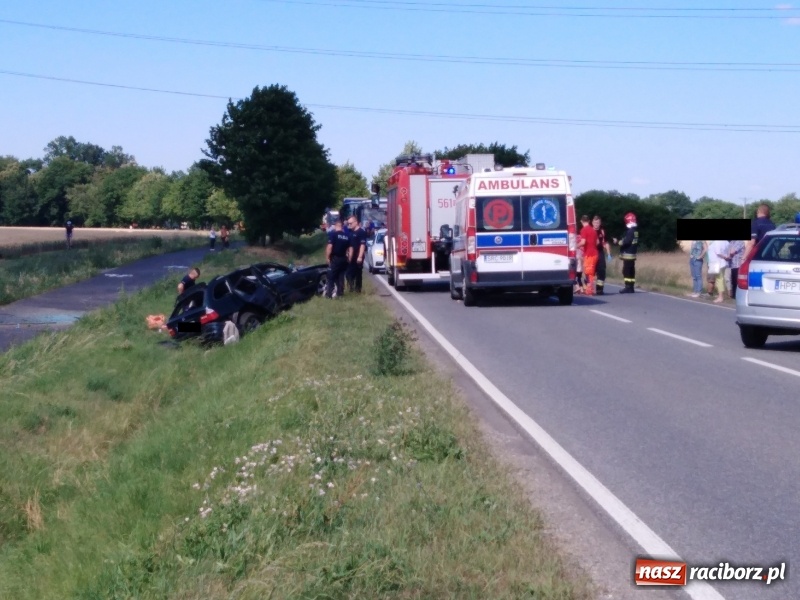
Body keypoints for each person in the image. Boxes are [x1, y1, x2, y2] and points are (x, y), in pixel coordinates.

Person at [612, 212, 639, 293]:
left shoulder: (630, 231)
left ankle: (628, 286)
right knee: (631, 270)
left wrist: (617, 242)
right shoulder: (635, 231)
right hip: (633, 254)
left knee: (626, 271)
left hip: (628, 254)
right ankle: (631, 286)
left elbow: (626, 242)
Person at [325, 219, 351, 298]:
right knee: (341, 276)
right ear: (342, 226)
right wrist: (349, 257)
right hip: (344, 258)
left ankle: (329, 294)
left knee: (331, 276)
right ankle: (340, 293)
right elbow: (349, 248)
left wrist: (327, 257)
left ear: (336, 226)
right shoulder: (347, 236)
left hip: (335, 258)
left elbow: (330, 246)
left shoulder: (333, 235)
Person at [346, 215, 368, 293]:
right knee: (348, 273)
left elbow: (362, 245)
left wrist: (360, 256)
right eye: (348, 223)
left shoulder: (361, 232)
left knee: (358, 273)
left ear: (356, 222)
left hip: (358, 256)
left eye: (350, 223)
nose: (349, 225)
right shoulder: (350, 232)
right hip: (351, 256)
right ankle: (351, 288)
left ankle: (358, 289)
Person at [578, 215, 599, 295]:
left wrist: (575, 246)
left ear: (581, 221)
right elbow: (597, 242)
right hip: (595, 253)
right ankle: (590, 289)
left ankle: (590, 290)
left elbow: (583, 242)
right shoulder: (593, 230)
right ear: (589, 221)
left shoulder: (584, 230)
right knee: (591, 272)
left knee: (588, 272)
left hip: (589, 254)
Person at [592, 215, 612, 295]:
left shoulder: (602, 231)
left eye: (598, 223)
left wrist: (609, 254)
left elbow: (605, 243)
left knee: (601, 270)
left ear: (600, 223)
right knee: (591, 272)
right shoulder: (589, 231)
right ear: (592, 223)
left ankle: (599, 289)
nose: (596, 224)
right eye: (595, 222)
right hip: (591, 253)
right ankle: (588, 288)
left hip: (600, 252)